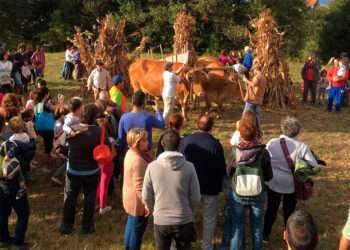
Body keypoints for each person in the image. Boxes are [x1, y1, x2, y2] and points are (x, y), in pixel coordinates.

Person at [142, 130, 201, 250]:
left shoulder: (152, 167)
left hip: (161, 220)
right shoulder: (189, 167)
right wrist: (189, 212)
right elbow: (196, 197)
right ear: (179, 145)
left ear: (162, 144)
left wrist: (154, 210)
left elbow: (146, 195)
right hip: (184, 219)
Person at [263, 116, 318, 243]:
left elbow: (264, 157)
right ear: (298, 131)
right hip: (291, 183)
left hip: (273, 180)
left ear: (282, 129)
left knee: (271, 208)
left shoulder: (272, 142)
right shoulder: (302, 146)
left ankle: (265, 235)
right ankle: (289, 236)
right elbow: (314, 165)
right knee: (289, 211)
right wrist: (302, 167)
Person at [60, 104, 110, 235]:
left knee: (71, 197)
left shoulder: (72, 129)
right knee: (90, 198)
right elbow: (108, 146)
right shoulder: (100, 132)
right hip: (92, 170)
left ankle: (66, 226)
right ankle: (87, 227)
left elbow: (64, 146)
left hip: (73, 170)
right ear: (95, 117)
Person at [180, 113, 226, 250]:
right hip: (210, 187)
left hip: (189, 185)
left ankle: (184, 242)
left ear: (197, 125)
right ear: (212, 127)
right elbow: (221, 169)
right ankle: (207, 246)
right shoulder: (215, 145)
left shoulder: (186, 141)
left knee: (187, 215)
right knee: (209, 218)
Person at [229, 111, 273, 250]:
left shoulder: (234, 152)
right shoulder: (263, 152)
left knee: (237, 228)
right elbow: (269, 176)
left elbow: (229, 172)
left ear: (239, 133)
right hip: (258, 193)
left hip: (238, 193)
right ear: (257, 133)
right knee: (257, 229)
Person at [0, 114, 30, 248]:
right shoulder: (8, 144)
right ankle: (18, 241)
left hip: (2, 184)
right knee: (23, 211)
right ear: (2, 127)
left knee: (2, 211)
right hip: (12, 181)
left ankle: (4, 237)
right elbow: (21, 163)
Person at [123, 128, 152, 250]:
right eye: (144, 140)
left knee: (131, 225)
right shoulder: (138, 160)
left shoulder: (131, 152)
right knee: (137, 231)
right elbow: (140, 187)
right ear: (137, 143)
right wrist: (147, 205)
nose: (148, 142)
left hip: (130, 197)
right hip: (137, 202)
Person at [242, 64, 267, 132]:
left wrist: (245, 80)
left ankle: (243, 130)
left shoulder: (257, 77)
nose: (253, 72)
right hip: (259, 100)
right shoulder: (264, 78)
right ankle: (258, 131)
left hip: (252, 99)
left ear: (256, 70)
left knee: (245, 115)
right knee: (257, 117)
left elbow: (253, 84)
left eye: (253, 70)